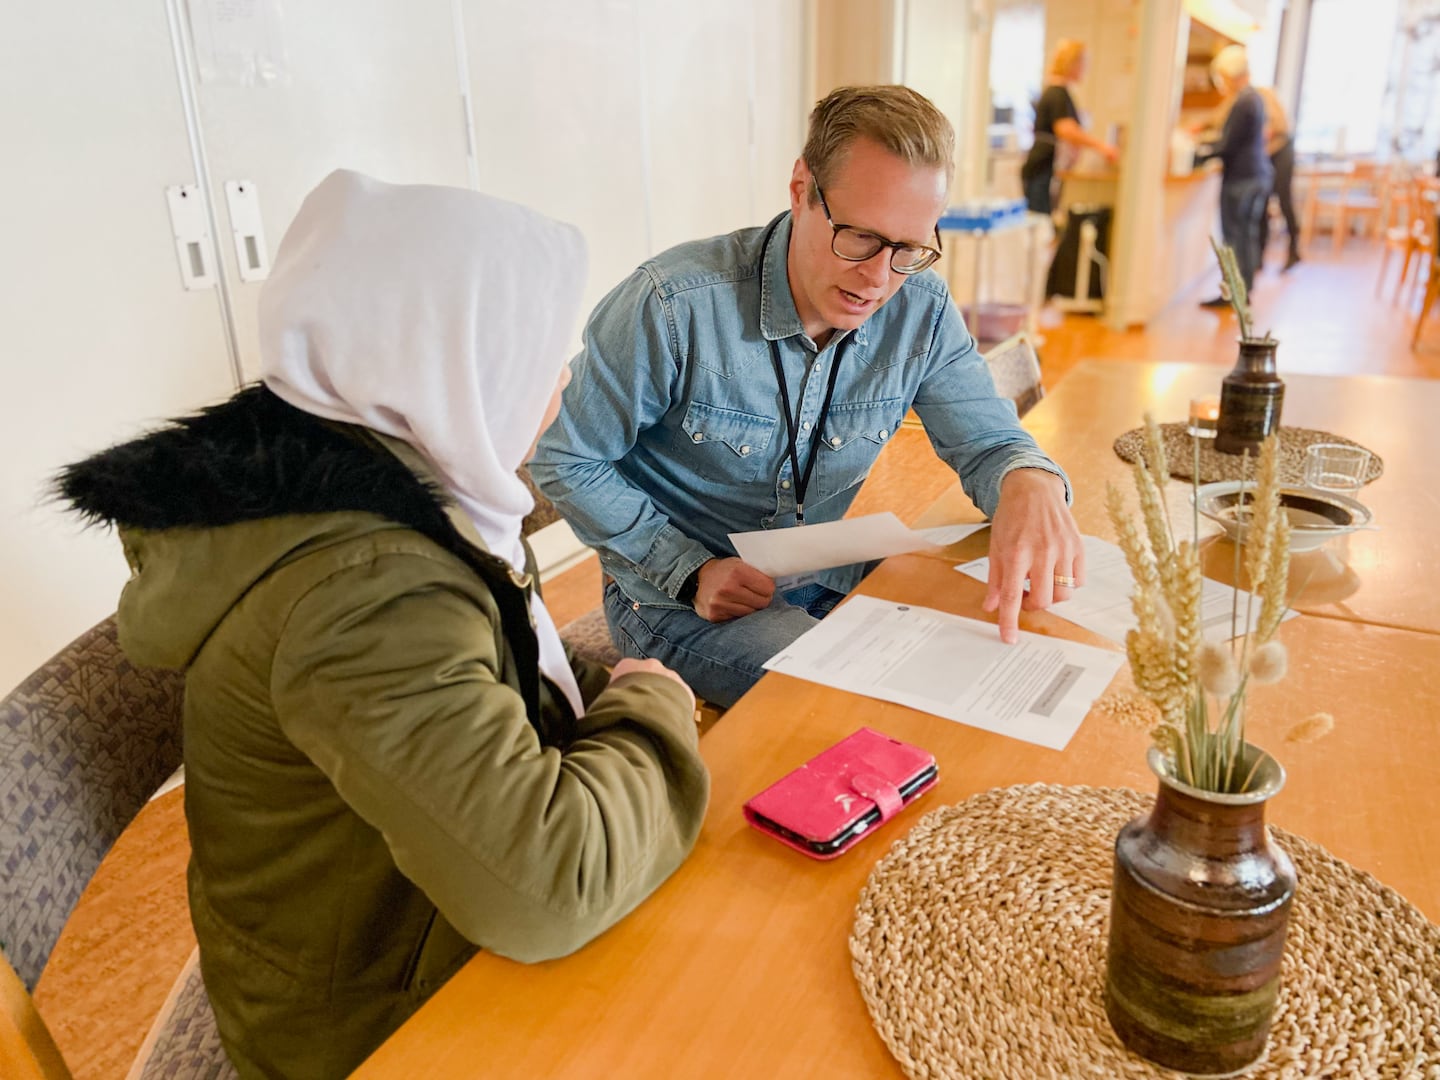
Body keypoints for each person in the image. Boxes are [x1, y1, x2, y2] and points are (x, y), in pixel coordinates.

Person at [57, 170, 709, 1079]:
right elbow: (550, 890)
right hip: (373, 1027)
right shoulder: (369, 592)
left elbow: (494, 677)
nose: (560, 382)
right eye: (540, 351)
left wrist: (616, 706)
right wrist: (649, 712)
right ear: (452, 359)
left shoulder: (370, 481)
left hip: (392, 929)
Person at [532, 85, 1084, 710]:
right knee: (869, 704)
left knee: (1010, 649)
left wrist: (1028, 479)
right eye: (860, 237)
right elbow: (563, 456)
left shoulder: (920, 305)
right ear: (801, 188)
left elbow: (989, 442)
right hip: (678, 600)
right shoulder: (672, 306)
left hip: (821, 570)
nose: (879, 277)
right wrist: (686, 568)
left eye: (909, 248)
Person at [1191, 83, 1301, 272]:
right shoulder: (1236, 99)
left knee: (1283, 201)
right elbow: (1218, 119)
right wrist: (1201, 127)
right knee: (1260, 212)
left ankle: (1293, 250)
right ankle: (1258, 259)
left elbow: (1277, 126)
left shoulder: (1257, 96)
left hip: (1278, 153)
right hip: (1262, 159)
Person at [1195, 45, 1274, 307]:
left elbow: (1228, 145)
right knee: (1245, 236)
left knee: (1235, 237)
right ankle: (1242, 290)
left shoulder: (1243, 101)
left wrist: (1199, 155)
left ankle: (1235, 292)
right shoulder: (1255, 98)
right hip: (1256, 174)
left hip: (1242, 178)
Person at [1020, 40, 1120, 216]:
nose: (1085, 69)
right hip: (1042, 166)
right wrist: (1102, 147)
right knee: (1040, 220)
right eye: (1083, 64)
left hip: (1046, 167)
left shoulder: (1060, 93)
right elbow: (1066, 129)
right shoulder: (1056, 94)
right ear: (1072, 64)